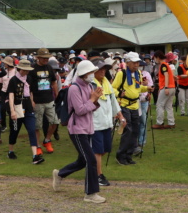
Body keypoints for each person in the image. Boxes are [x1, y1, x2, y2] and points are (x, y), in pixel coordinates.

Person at [52, 60, 105, 203]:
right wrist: (93, 99)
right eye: (91, 73)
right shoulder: (74, 89)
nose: (93, 75)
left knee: (83, 160)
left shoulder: (88, 86)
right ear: (83, 74)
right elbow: (80, 110)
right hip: (77, 129)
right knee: (90, 160)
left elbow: (91, 108)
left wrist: (95, 99)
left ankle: (60, 174)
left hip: (87, 128)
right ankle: (90, 193)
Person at [113, 52, 151, 165]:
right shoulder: (121, 74)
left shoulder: (138, 73)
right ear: (127, 63)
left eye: (137, 62)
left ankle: (129, 155)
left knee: (135, 130)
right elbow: (113, 89)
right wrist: (120, 93)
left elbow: (137, 88)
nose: (136, 64)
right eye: (134, 62)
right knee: (128, 130)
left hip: (135, 105)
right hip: (125, 105)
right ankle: (121, 155)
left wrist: (147, 88)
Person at [90, 59, 124, 187]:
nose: (103, 71)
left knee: (104, 149)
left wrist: (120, 116)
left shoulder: (106, 83)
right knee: (98, 150)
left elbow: (113, 100)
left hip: (107, 122)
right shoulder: (90, 85)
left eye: (105, 68)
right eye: (100, 68)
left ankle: (88, 164)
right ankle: (98, 175)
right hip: (95, 122)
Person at [6, 59, 44, 164]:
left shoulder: (29, 78)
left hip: (28, 107)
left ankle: (35, 155)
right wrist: (12, 110)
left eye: (27, 70)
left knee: (32, 130)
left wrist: (32, 102)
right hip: (17, 107)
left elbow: (30, 92)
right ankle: (10, 150)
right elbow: (11, 95)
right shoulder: (13, 80)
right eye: (24, 70)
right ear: (20, 69)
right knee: (14, 131)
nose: (26, 72)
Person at [29, 48, 59, 155]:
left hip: (49, 100)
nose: (46, 60)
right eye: (44, 58)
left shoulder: (49, 67)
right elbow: (29, 87)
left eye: (47, 58)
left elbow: (54, 83)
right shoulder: (32, 69)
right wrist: (31, 100)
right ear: (38, 58)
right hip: (37, 101)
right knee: (37, 125)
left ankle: (47, 140)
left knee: (55, 121)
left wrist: (57, 96)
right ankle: (37, 146)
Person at [153, 51, 177, 129]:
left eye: (155, 58)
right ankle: (171, 122)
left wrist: (165, 87)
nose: (155, 60)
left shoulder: (163, 65)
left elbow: (166, 75)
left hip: (167, 87)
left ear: (158, 57)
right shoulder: (166, 65)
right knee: (169, 106)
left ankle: (160, 123)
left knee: (159, 105)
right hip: (172, 87)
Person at [136, 60, 153, 152]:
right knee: (136, 121)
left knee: (143, 120)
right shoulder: (133, 75)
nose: (140, 67)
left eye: (141, 66)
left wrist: (147, 85)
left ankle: (142, 140)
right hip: (135, 100)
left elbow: (151, 86)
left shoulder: (146, 74)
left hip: (143, 100)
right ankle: (135, 141)